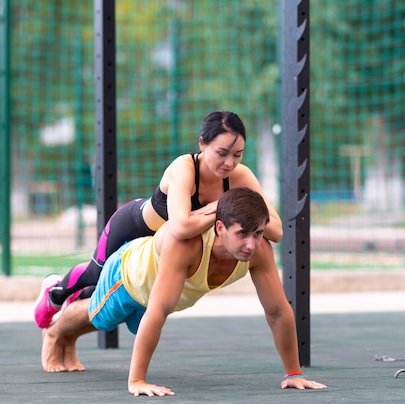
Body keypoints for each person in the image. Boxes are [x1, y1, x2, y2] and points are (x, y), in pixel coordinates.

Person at [40, 187, 327, 396]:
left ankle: (69, 339)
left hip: (159, 295)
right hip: (128, 276)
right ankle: (53, 332)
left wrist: (293, 373)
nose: (251, 244)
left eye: (258, 234)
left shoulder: (258, 252)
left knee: (124, 322)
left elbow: (277, 312)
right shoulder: (188, 246)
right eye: (242, 234)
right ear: (219, 228)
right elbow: (158, 310)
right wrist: (137, 380)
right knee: (99, 316)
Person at [34, 110, 283, 328]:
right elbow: (182, 227)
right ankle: (55, 292)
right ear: (202, 144)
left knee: (100, 293)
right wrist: (222, 206)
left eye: (237, 155)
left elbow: (276, 230)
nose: (230, 163)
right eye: (222, 153)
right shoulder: (183, 168)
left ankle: (72, 306)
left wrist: (243, 215)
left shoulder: (240, 176)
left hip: (155, 247)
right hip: (132, 226)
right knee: (95, 274)